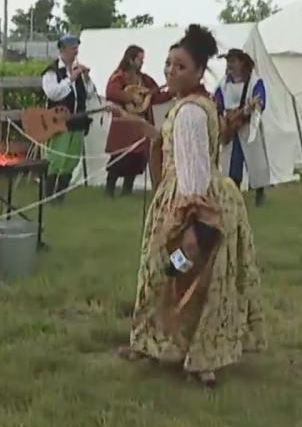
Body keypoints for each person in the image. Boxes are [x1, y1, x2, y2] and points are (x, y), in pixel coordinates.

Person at [118, 25, 266, 387]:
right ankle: (190, 353)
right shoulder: (195, 105)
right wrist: (139, 125)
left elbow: (194, 171)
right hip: (209, 197)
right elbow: (178, 149)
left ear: (199, 72)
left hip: (191, 202)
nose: (170, 71)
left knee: (171, 272)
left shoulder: (189, 114)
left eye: (180, 66)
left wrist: (192, 228)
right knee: (198, 280)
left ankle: (172, 347)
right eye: (168, 64)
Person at [104, 45, 171, 196]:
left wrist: (171, 93)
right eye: (139, 59)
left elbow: (155, 96)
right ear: (130, 59)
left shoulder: (145, 80)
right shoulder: (119, 76)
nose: (142, 62)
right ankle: (109, 190)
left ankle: (127, 190)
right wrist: (130, 97)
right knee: (119, 157)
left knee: (137, 158)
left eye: (142, 59)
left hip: (140, 124)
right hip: (123, 124)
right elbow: (111, 92)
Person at [40, 34, 98, 202]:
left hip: (78, 122)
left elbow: (90, 93)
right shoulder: (51, 72)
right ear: (63, 50)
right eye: (73, 49)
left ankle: (60, 195)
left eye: (77, 49)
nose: (75, 53)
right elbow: (53, 93)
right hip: (59, 122)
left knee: (71, 160)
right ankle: (49, 195)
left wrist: (86, 77)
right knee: (56, 159)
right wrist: (70, 79)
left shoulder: (77, 70)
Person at [214, 49, 270, 206]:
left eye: (233, 61)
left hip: (248, 126)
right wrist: (224, 120)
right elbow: (217, 102)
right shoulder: (223, 83)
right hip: (231, 128)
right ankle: (234, 194)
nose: (229, 65)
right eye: (228, 61)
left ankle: (260, 193)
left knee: (255, 160)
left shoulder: (254, 82)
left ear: (242, 63)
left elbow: (260, 101)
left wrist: (251, 108)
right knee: (232, 163)